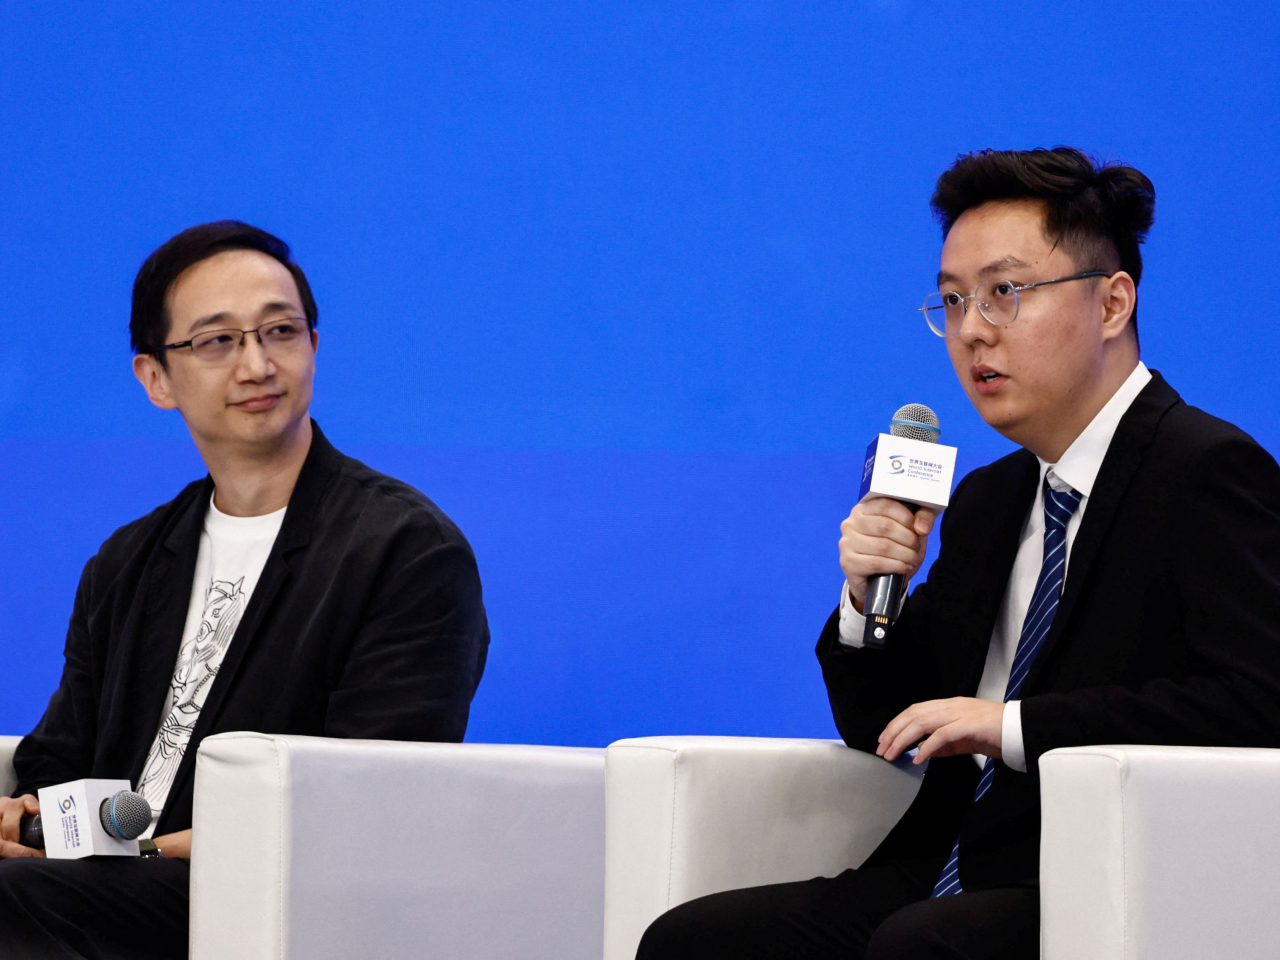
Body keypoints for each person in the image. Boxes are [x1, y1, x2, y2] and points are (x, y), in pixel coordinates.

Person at [637, 147, 1280, 959]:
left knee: (922, 946)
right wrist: (871, 598)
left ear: (1113, 303)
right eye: (952, 300)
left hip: (1096, 880)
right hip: (942, 867)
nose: (972, 329)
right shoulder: (992, 497)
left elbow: (1259, 700)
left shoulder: (1204, 469)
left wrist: (1010, 726)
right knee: (694, 941)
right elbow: (886, 724)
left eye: (1006, 293)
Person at [0, 221, 490, 959]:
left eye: (280, 331)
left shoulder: (405, 549)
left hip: (262, 898)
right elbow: (58, 755)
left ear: (314, 348)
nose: (257, 363)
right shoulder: (130, 559)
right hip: (97, 883)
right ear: (155, 378)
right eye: (218, 341)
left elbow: (378, 791)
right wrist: (26, 813)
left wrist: (152, 850)